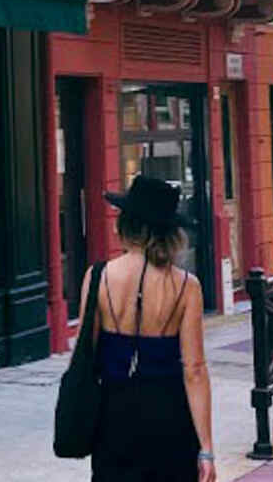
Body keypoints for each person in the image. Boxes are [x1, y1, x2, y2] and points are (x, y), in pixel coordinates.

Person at [80, 175, 215, 482]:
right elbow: (194, 370)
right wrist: (206, 449)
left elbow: (84, 355)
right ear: (170, 232)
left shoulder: (98, 276)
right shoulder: (187, 287)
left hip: (114, 415)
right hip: (170, 416)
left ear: (126, 223)